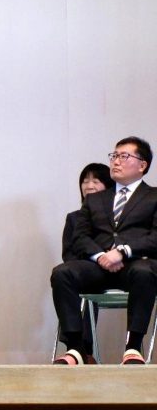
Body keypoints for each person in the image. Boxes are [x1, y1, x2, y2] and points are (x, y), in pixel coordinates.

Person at [52, 136, 157, 365]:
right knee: (62, 273)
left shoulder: (153, 197)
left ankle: (133, 347)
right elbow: (80, 237)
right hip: (98, 267)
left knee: (144, 271)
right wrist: (101, 256)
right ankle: (76, 348)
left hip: (135, 264)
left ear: (142, 165)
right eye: (114, 156)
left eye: (124, 156)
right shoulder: (96, 200)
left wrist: (123, 251)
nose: (116, 161)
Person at [58, 163, 115, 361]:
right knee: (67, 279)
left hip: (115, 272)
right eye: (85, 181)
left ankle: (83, 350)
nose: (89, 185)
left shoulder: (119, 217)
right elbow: (68, 254)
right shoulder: (74, 218)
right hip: (86, 273)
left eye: (96, 181)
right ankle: (77, 349)